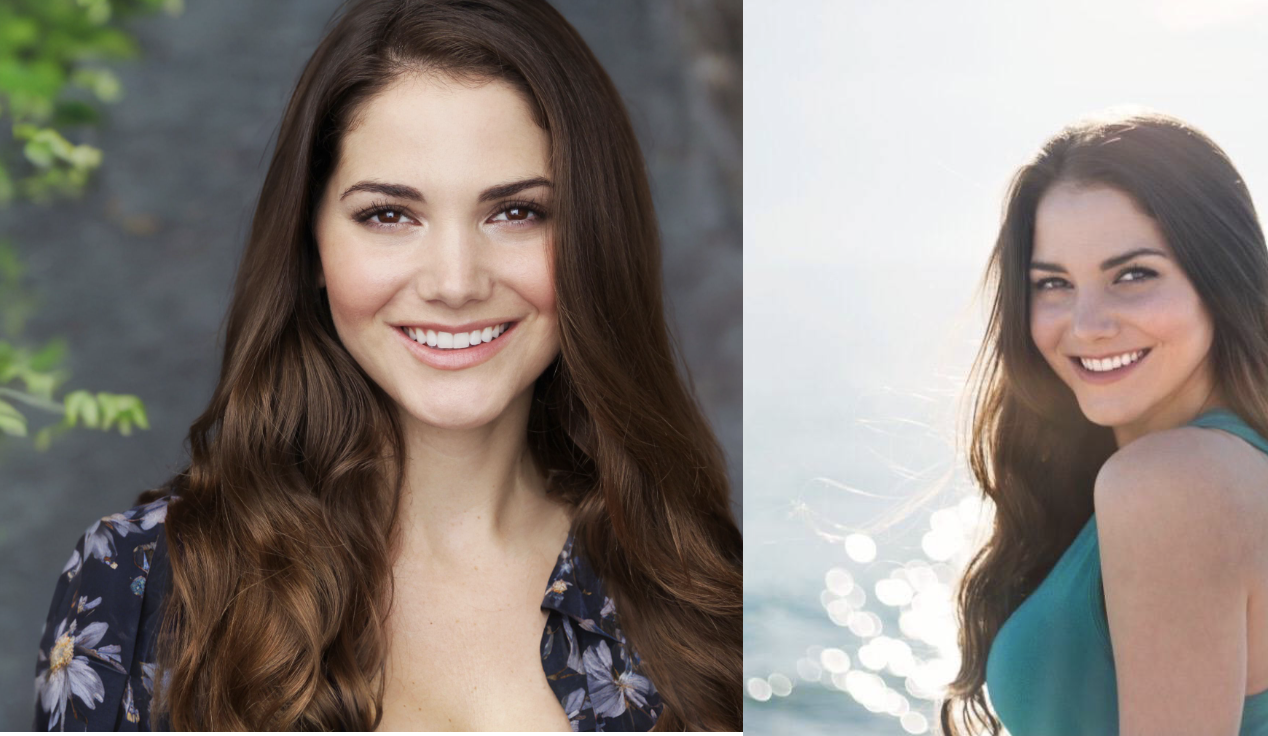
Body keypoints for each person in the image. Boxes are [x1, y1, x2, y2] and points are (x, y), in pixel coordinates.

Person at [31, 0, 742, 731]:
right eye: (389, 215)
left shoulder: (704, 600)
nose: (456, 281)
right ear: (312, 246)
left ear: (596, 237)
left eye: (517, 212)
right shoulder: (140, 582)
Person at [940, 107, 1268, 735]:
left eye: (1133, 275)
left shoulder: (1173, 484)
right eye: (1053, 284)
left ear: (1220, 281)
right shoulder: (1238, 464)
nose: (1087, 324)